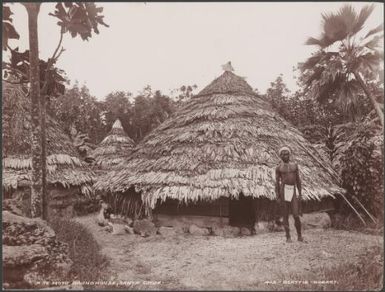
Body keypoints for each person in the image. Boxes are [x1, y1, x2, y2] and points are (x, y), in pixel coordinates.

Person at [275, 146, 306, 243]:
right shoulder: (279, 168)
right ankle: (288, 237)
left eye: (287, 153)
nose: (285, 156)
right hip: (283, 191)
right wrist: (278, 196)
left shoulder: (294, 166)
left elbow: (298, 180)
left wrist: (300, 193)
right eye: (283, 154)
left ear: (290, 154)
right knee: (285, 215)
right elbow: (277, 182)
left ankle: (299, 236)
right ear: (280, 156)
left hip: (292, 191)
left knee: (296, 214)